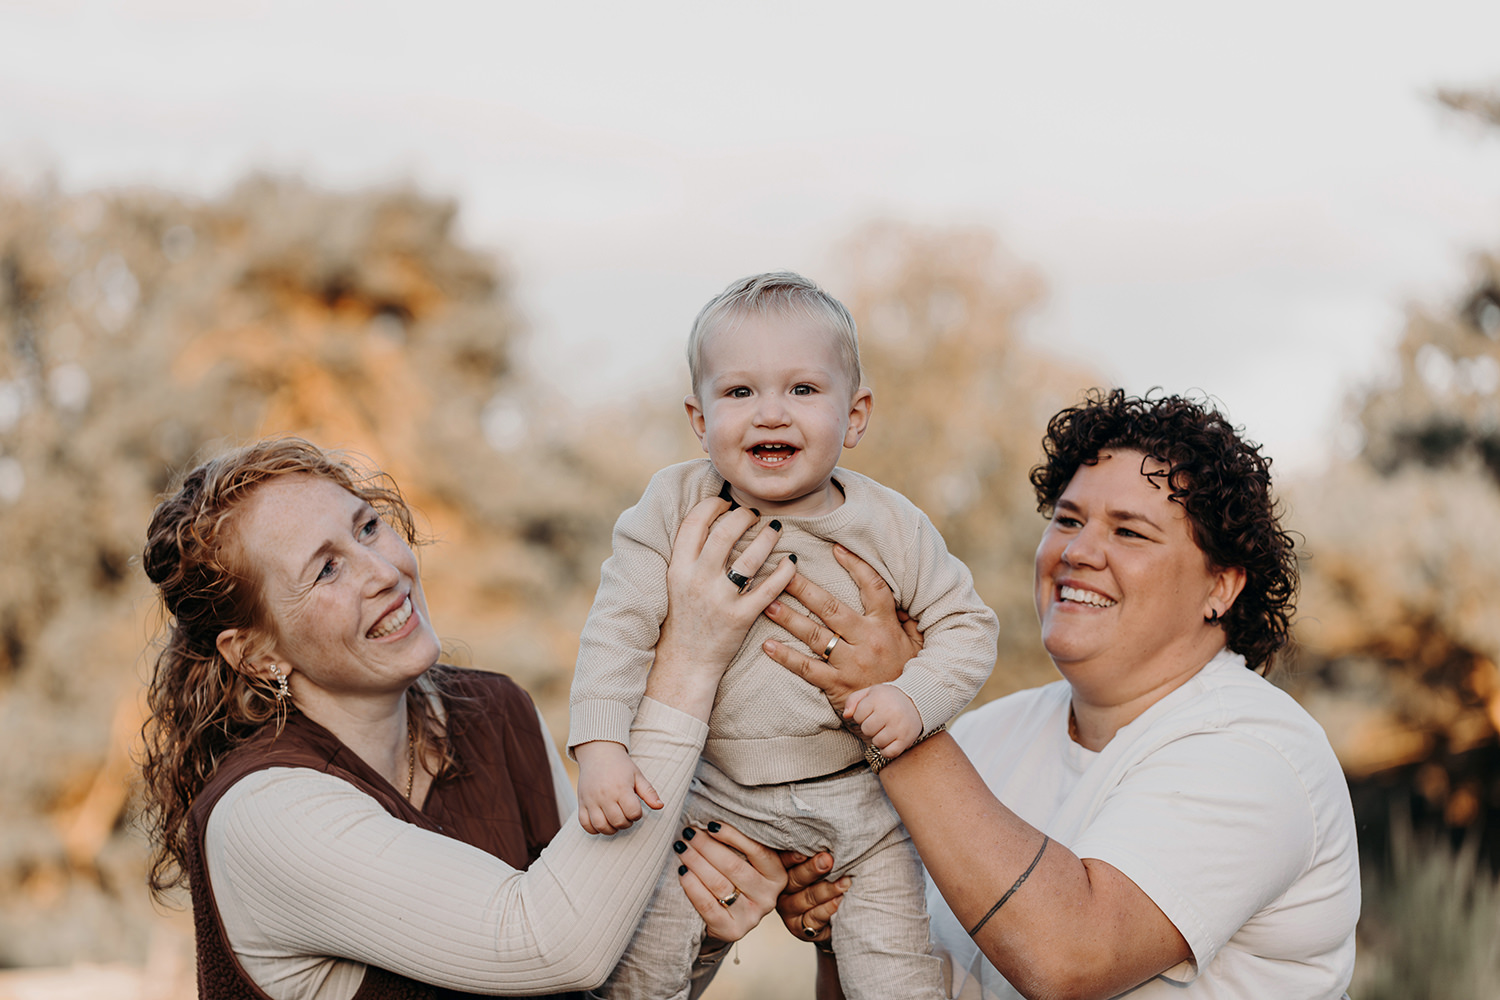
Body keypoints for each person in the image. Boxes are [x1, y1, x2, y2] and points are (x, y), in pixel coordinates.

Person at [136, 437, 841, 1000]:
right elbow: (548, 940)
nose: (384, 570)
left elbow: (599, 980)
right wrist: (688, 658)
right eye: (325, 570)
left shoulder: (493, 713)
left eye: (368, 527)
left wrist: (700, 922)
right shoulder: (264, 812)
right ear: (256, 652)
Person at [770, 389, 1361, 999]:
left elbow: (1068, 957)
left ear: (1222, 586)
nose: (1078, 552)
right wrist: (843, 929)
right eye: (1069, 520)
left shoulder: (1257, 755)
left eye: (1130, 533)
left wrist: (896, 709)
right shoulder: (979, 738)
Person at [567, 272, 1000, 999]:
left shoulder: (892, 525)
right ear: (700, 421)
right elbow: (618, 628)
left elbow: (967, 626)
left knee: (896, 972)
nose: (771, 413)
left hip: (860, 799)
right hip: (715, 790)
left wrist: (914, 699)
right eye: (739, 393)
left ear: (855, 415)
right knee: (640, 962)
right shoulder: (671, 506)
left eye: (803, 390)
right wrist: (602, 748)